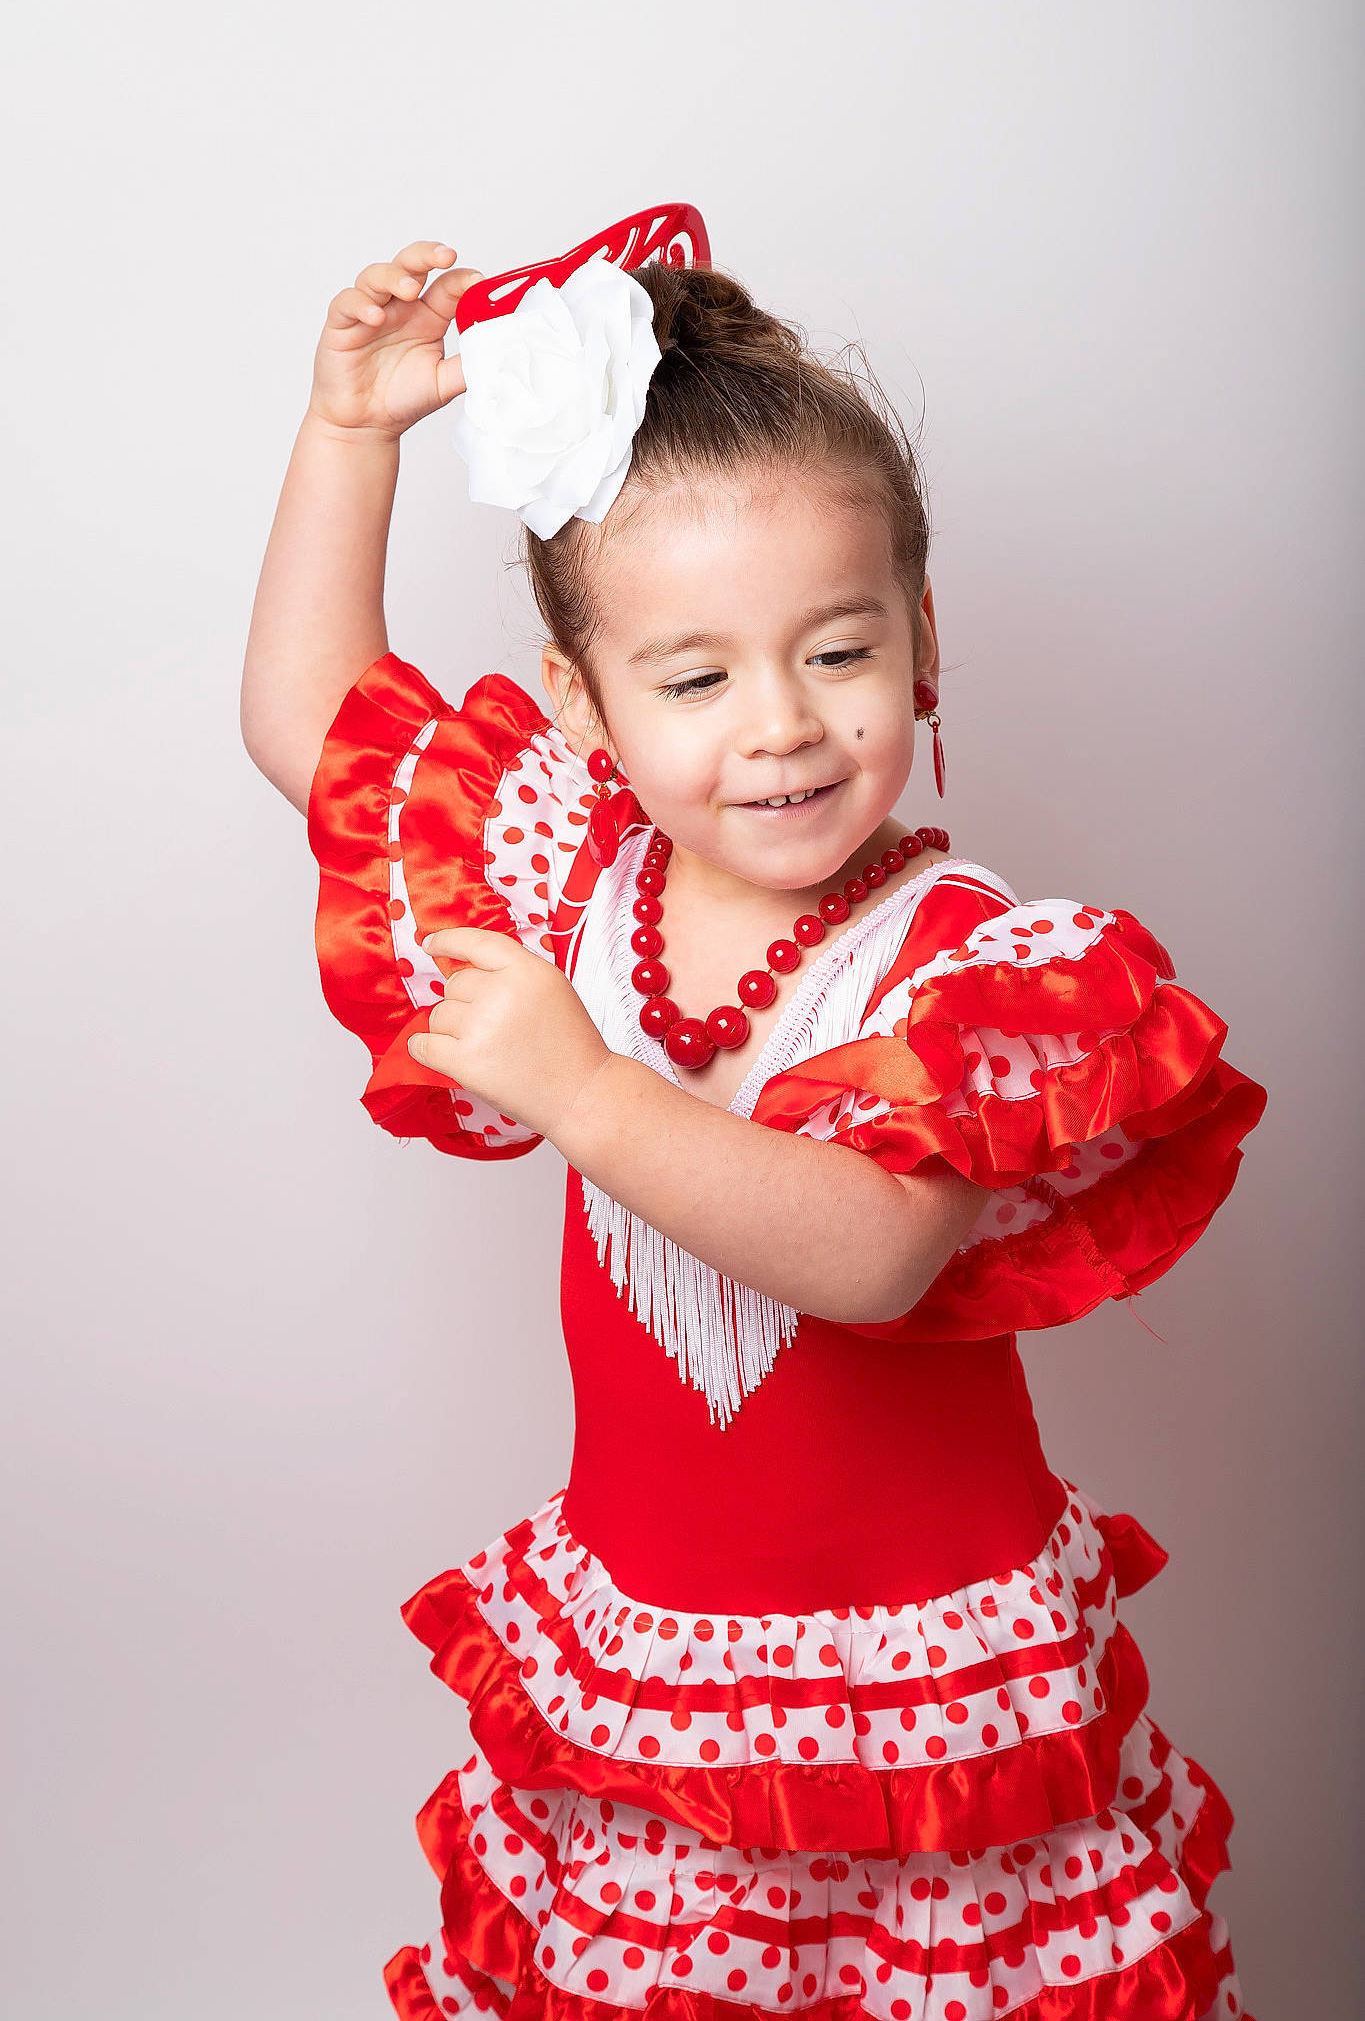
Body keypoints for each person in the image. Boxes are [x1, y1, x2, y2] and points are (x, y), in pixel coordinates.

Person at [241, 222, 1268, 2021]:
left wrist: (583, 1086)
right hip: (655, 1656)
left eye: (838, 650)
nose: (780, 728)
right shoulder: (571, 876)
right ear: (584, 706)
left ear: (923, 638)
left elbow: (868, 1258)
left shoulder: (969, 962)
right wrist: (351, 438)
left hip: (924, 1694)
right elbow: (307, 731)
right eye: (694, 678)